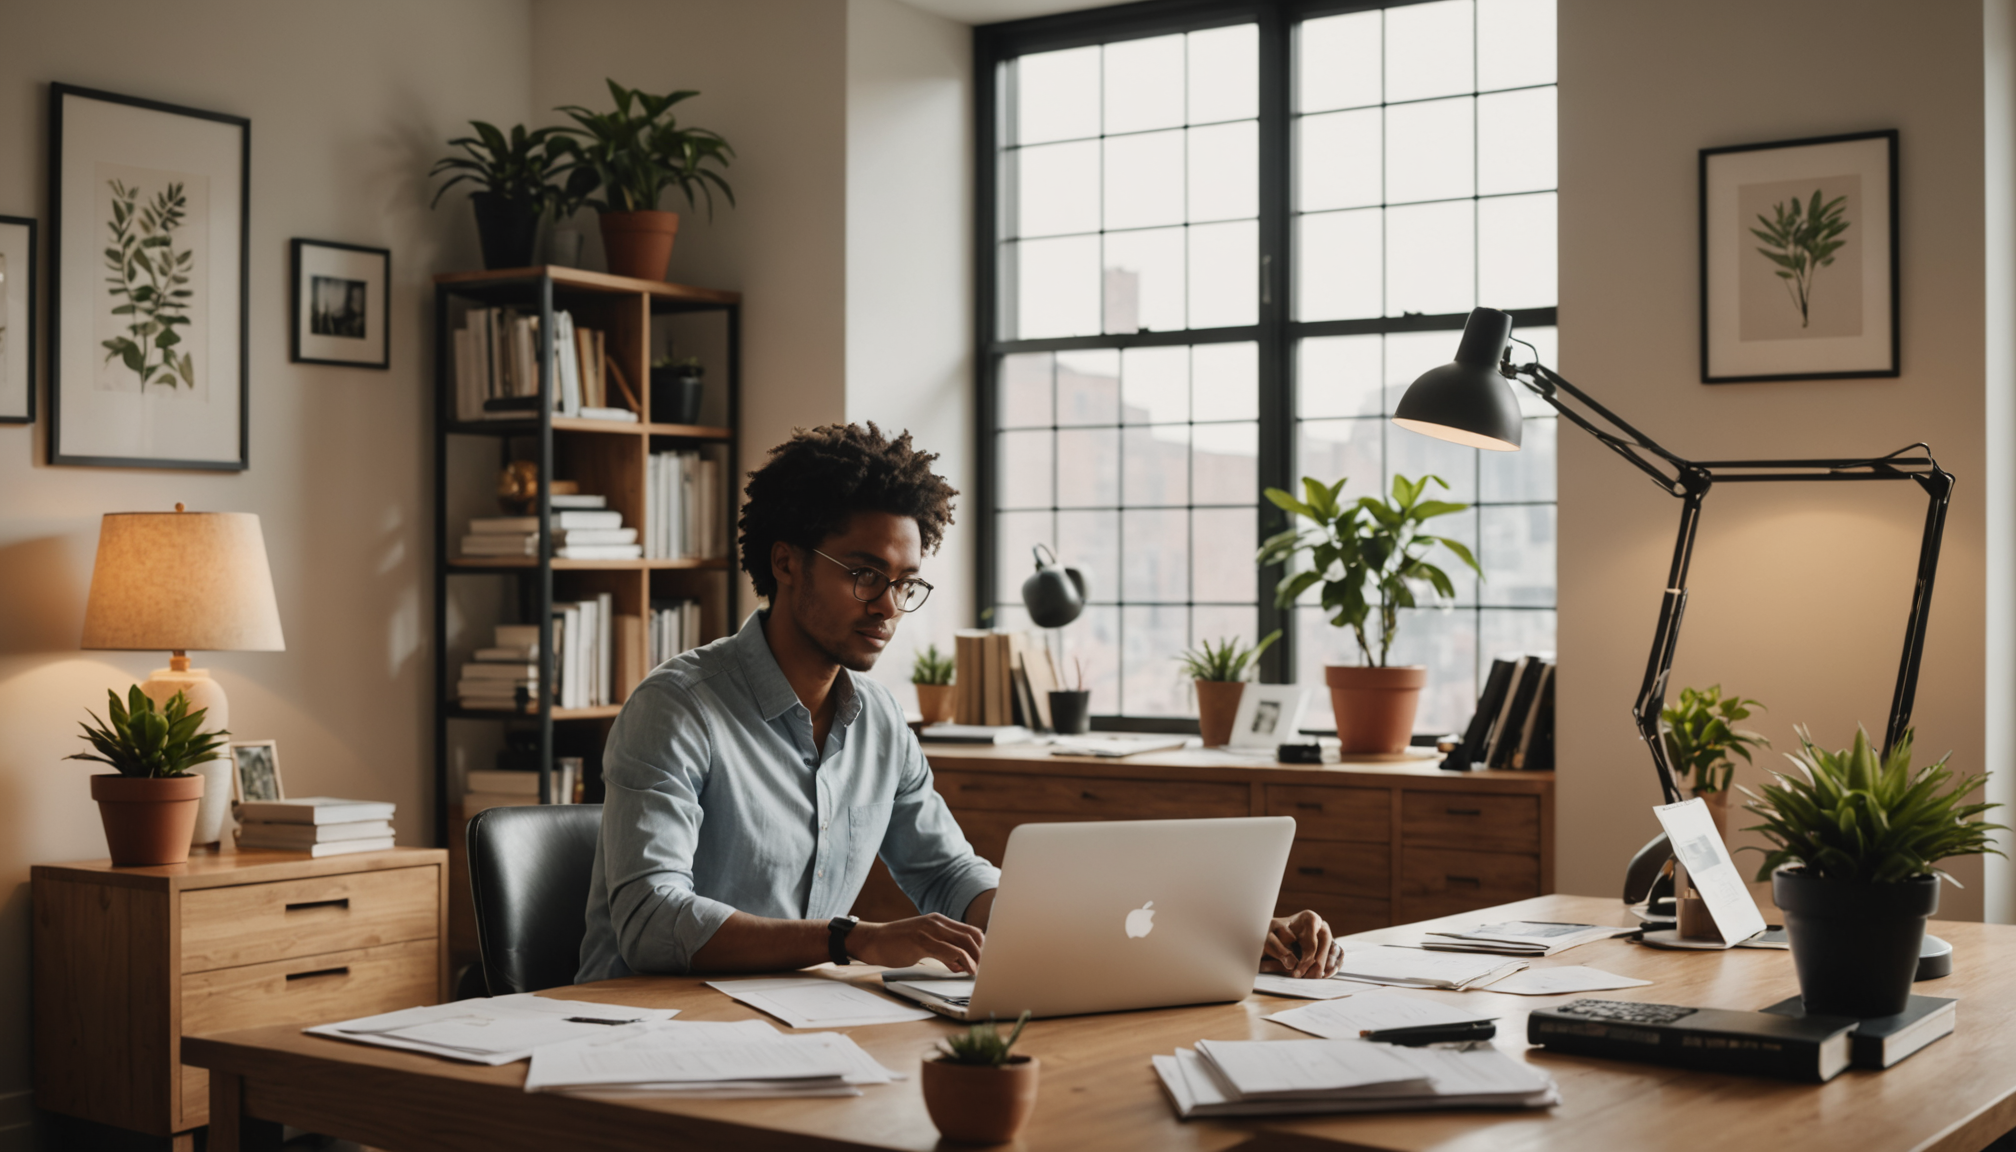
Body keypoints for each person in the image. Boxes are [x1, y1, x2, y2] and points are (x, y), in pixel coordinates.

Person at [577, 422, 1342, 982]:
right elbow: (651, 924)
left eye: (904, 582)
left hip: (790, 1030)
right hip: (641, 1034)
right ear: (786, 564)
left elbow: (949, 877)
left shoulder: (878, 722)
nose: (888, 604)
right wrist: (854, 939)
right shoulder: (676, 709)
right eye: (864, 573)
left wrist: (1219, 931)